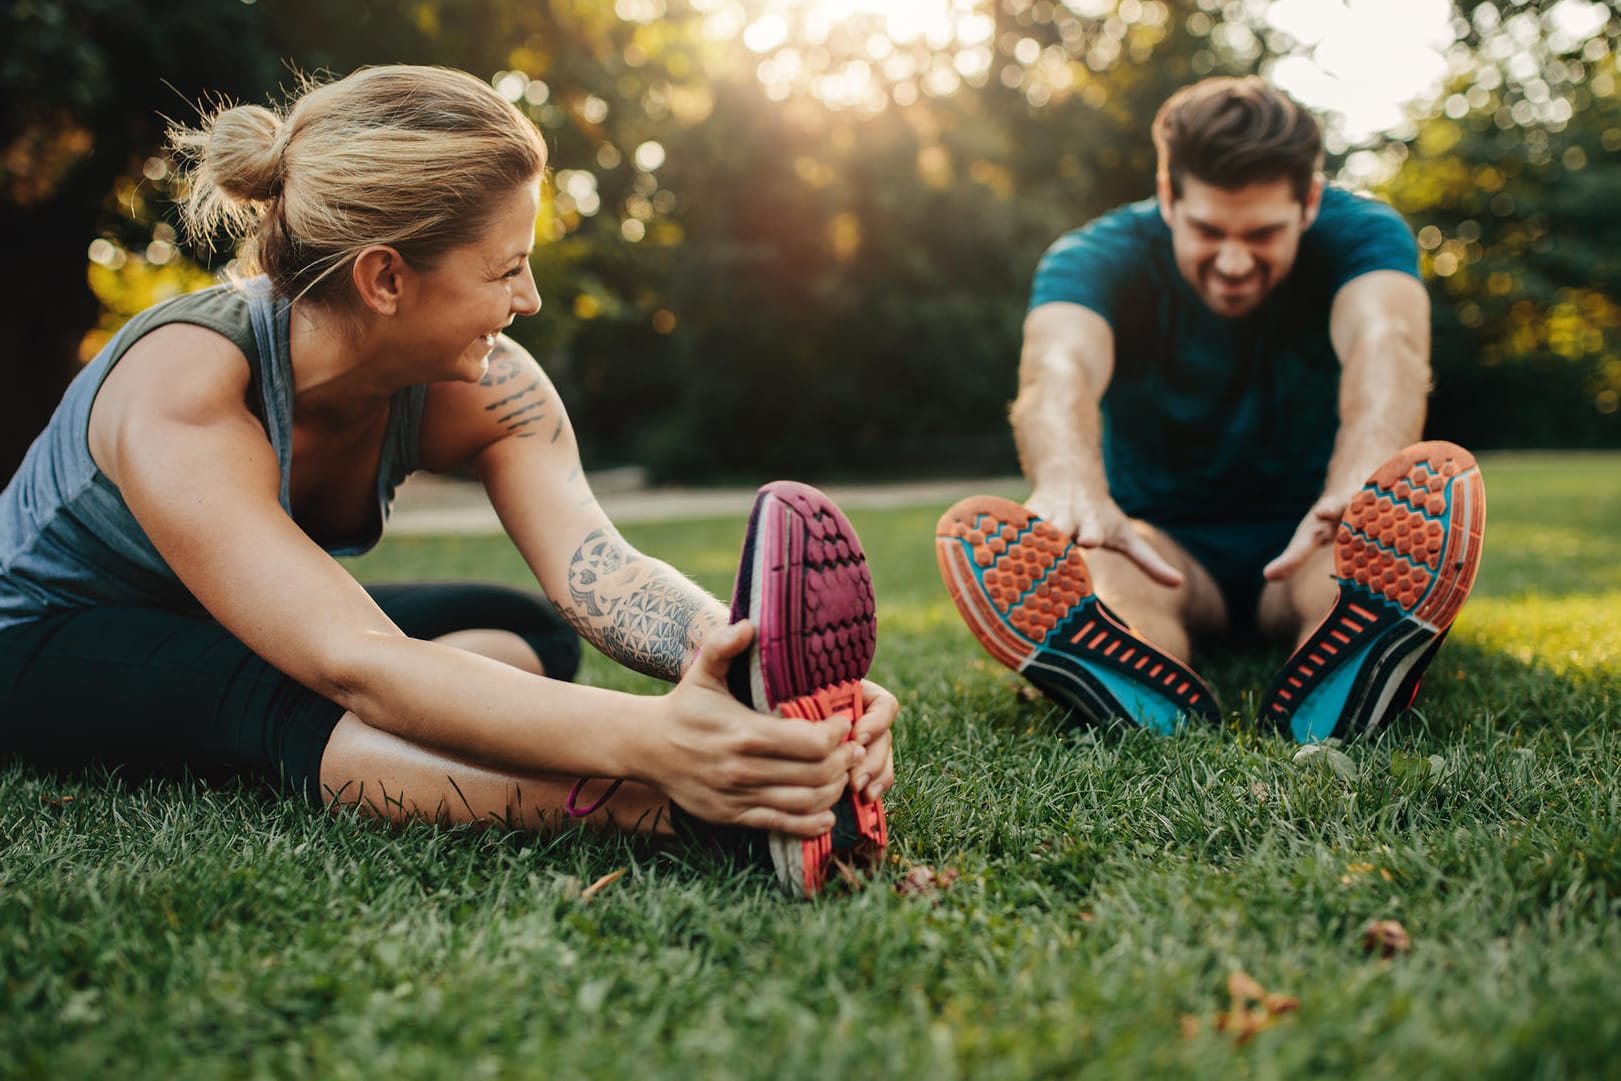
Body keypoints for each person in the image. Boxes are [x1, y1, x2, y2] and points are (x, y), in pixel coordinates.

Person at [0, 65, 893, 897]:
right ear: (384, 277)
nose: (530, 298)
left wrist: (753, 671)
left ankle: (411, 744)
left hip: (219, 625)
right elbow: (356, 658)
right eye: (506, 269)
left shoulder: (487, 381)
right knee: (301, 690)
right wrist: (656, 744)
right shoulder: (186, 386)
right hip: (40, 637)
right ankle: (682, 813)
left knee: (525, 629)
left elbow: (600, 569)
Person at [935, 76, 1485, 743]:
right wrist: (1069, 482)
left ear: (1308, 201)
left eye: (1260, 233)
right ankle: (1136, 678)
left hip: (1309, 532)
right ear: (1167, 197)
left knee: (1348, 573)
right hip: (1163, 544)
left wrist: (1362, 479)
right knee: (1111, 575)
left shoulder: (1362, 234)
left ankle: (1349, 671)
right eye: (1206, 230)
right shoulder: (1093, 257)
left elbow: (1385, 340)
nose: (1231, 260)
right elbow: (1058, 365)